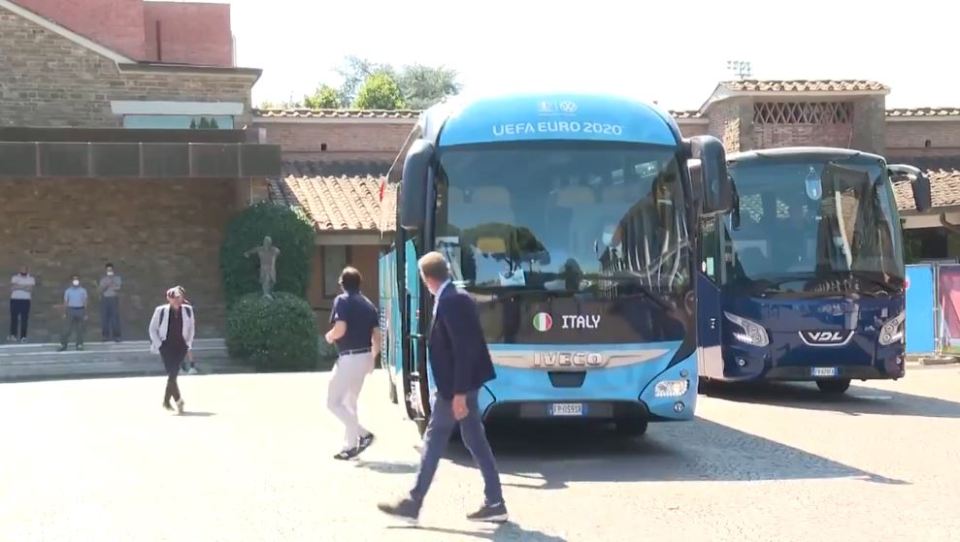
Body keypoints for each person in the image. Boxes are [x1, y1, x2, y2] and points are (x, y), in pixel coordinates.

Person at [378, 251, 507, 524]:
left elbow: (464, 349)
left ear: (426, 278)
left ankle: (413, 503)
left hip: (455, 389)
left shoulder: (451, 301)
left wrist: (458, 392)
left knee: (435, 439)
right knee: (475, 440)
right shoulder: (454, 298)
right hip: (461, 385)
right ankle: (495, 502)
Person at [324, 266, 380, 460]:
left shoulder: (342, 300)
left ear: (342, 284)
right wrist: (372, 358)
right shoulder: (368, 304)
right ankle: (349, 447)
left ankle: (363, 434)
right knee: (350, 402)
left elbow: (340, 328)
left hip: (349, 358)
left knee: (333, 402)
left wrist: (329, 336)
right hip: (365, 357)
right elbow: (377, 336)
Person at [148, 286, 195, 415]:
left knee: (173, 373)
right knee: (172, 373)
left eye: (178, 297)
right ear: (168, 299)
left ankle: (170, 401)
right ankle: (176, 400)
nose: (176, 300)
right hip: (166, 346)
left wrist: (188, 344)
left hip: (181, 346)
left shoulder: (188, 310)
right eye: (173, 298)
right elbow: (152, 329)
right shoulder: (161, 311)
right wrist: (159, 344)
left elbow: (191, 328)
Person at [59, 275, 88, 351]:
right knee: (67, 329)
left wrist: (85, 313)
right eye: (74, 280)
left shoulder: (83, 290)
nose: (75, 281)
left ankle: (79, 344)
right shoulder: (68, 291)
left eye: (77, 280)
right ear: (71, 281)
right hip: (70, 310)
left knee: (80, 329)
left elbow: (85, 302)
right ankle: (63, 344)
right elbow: (65, 302)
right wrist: (64, 312)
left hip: (80, 310)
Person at [9, 265, 35, 343]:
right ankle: (13, 335)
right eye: (22, 269)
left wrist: (18, 286)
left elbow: (30, 289)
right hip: (14, 300)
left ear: (27, 270)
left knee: (24, 319)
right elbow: (12, 288)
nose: (23, 270)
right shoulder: (15, 277)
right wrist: (25, 287)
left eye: (25, 269)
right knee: (14, 318)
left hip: (25, 300)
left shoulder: (31, 278)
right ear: (20, 269)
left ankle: (23, 336)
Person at [98, 263, 122, 342]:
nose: (109, 271)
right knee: (105, 318)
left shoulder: (117, 278)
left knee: (114, 318)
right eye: (108, 270)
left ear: (113, 270)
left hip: (113, 298)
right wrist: (107, 284)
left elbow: (118, 288)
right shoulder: (103, 279)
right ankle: (105, 336)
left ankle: (117, 336)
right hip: (105, 299)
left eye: (111, 270)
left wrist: (112, 283)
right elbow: (101, 289)